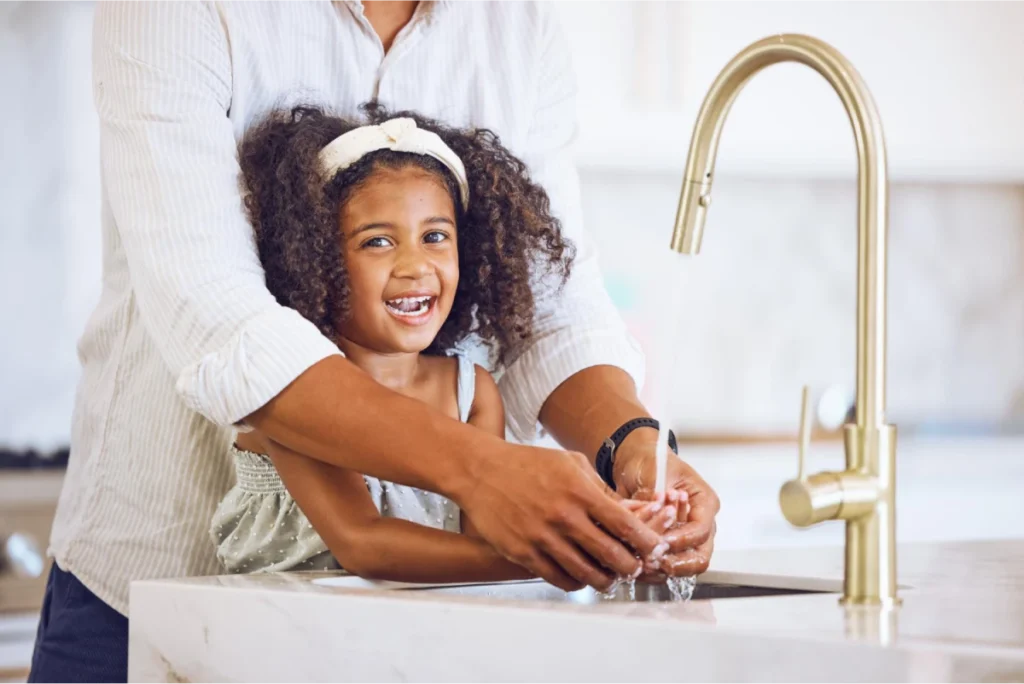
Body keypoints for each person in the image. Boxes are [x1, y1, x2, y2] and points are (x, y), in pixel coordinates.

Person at [31, 1, 719, 681]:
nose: (414, 264)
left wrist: (632, 448)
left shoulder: (518, 25)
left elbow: (554, 310)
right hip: (142, 595)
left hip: (412, 641)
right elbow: (223, 323)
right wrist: (490, 480)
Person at [210, 104, 682, 581]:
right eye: (377, 242)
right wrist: (550, 555)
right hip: (282, 636)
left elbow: (487, 536)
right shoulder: (293, 396)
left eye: (435, 236)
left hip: (419, 639)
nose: (416, 266)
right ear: (311, 260)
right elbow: (362, 542)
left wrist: (605, 529)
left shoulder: (470, 392)